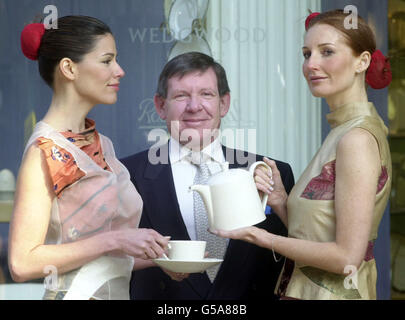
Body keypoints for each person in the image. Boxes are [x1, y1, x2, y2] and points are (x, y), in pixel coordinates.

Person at [212, 10, 392, 300]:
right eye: (307, 54)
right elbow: (322, 234)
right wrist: (282, 201)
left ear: (363, 61)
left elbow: (346, 257)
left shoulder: (355, 138)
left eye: (327, 52)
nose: (312, 65)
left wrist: (259, 236)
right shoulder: (343, 131)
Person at [8, 16, 169, 300]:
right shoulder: (43, 151)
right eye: (107, 61)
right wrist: (117, 239)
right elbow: (22, 262)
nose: (119, 71)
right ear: (69, 68)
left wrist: (163, 257)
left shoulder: (100, 144)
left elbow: (102, 259)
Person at [120, 52, 295, 300]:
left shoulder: (272, 173)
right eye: (181, 96)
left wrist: (282, 205)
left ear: (224, 103)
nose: (194, 106)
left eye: (206, 94)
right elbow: (109, 260)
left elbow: (300, 256)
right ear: (160, 105)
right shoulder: (124, 175)